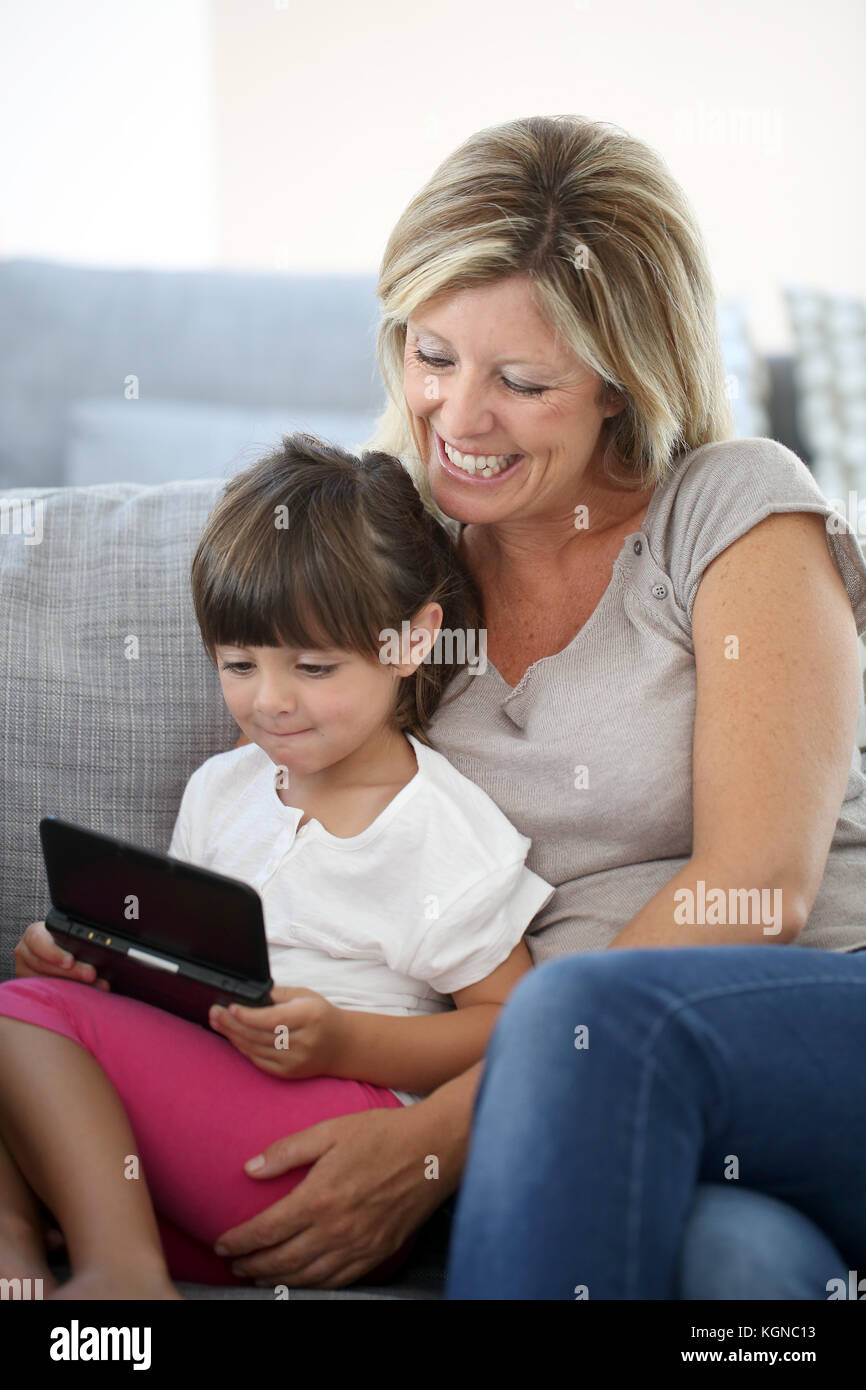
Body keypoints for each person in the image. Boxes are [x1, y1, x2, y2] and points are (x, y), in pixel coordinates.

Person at [236, 112, 866, 1299]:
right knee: (737, 1270)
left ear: (622, 381)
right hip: (609, 1115)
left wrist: (439, 1138)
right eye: (431, 357)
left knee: (587, 1018)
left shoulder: (733, 510)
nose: (458, 421)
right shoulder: (394, 576)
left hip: (819, 1020)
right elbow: (302, 824)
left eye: (520, 381)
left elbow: (760, 889)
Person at [0, 435, 555, 1299]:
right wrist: (91, 966)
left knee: (18, 1014)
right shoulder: (224, 789)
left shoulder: (443, 832)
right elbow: (174, 978)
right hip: (204, 1159)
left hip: (332, 1153)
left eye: (313, 666)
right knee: (38, 1032)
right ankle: (28, 1260)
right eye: (238, 665)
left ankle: (119, 1277)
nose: (270, 700)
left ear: (412, 643)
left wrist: (346, 1038)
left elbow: (516, 1028)